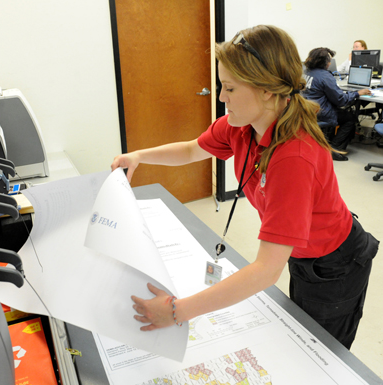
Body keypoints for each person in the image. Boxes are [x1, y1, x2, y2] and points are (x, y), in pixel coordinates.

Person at [111, 25, 379, 350]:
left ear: (267, 90)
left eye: (229, 88)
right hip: (301, 250)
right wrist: (139, 156)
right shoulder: (241, 126)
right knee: (299, 332)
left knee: (321, 350)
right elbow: (193, 149)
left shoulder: (295, 155)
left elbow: (266, 270)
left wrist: (175, 310)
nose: (221, 97)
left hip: (335, 262)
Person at [302, 47, 371, 161]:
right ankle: (335, 149)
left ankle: (328, 145)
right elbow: (341, 100)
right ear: (324, 62)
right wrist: (357, 93)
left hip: (307, 110)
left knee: (344, 114)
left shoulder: (306, 72)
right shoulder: (325, 76)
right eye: (329, 60)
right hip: (321, 112)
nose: (330, 63)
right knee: (350, 118)